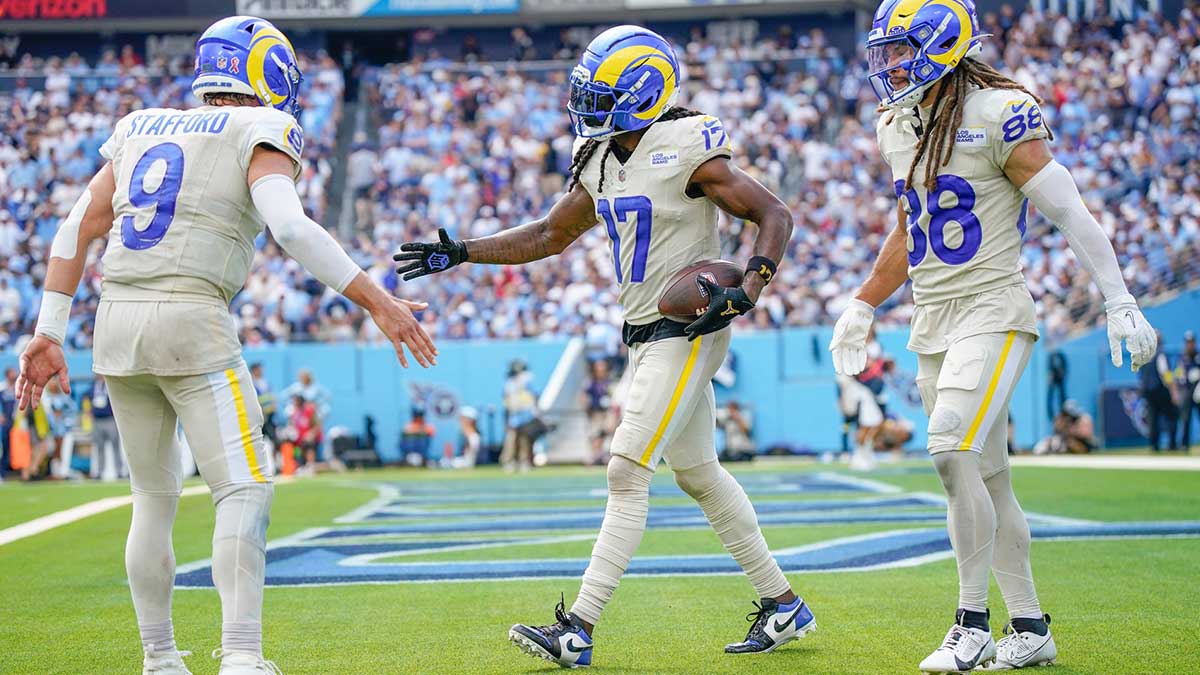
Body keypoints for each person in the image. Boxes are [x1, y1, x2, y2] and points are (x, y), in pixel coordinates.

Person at [14, 16, 436, 675]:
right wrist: (376, 300)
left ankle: (159, 659)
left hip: (115, 318)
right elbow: (291, 229)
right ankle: (240, 654)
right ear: (266, 71)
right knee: (244, 486)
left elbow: (74, 228)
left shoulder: (139, 125)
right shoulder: (259, 128)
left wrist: (47, 329)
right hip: (191, 315)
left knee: (153, 498)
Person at [396, 25, 813, 667]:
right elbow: (548, 234)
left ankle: (579, 628)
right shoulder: (599, 156)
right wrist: (464, 251)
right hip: (642, 333)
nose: (586, 103)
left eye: (602, 91)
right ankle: (783, 603)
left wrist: (751, 285)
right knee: (699, 474)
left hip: (689, 327)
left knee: (626, 470)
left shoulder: (686, 146)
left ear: (645, 90)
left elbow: (773, 215)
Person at [829, 0, 1158, 671]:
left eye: (901, 49)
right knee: (989, 477)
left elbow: (1068, 206)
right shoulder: (899, 122)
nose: (889, 64)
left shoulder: (998, 110)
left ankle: (971, 622)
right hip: (933, 319)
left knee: (950, 449)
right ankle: (1031, 627)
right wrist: (863, 303)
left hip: (994, 309)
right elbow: (908, 228)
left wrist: (1119, 297)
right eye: (884, 52)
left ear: (941, 45)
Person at [1140, 332, 1178, 452]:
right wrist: (1173, 391)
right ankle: (1172, 444)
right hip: (1160, 389)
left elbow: (1142, 375)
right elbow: (1165, 373)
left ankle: (1154, 445)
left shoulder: (1144, 355)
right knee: (1171, 416)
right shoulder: (1160, 354)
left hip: (1148, 391)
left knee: (1153, 418)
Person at [500, 359, 539, 472]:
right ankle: (508, 462)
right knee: (510, 440)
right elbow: (507, 400)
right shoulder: (509, 383)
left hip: (525, 414)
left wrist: (534, 409)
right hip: (514, 414)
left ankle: (524, 461)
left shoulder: (527, 380)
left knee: (524, 441)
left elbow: (535, 395)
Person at [90, 374, 125, 480]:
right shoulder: (93, 386)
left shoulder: (110, 385)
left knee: (115, 446)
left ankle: (119, 471)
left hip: (110, 419)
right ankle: (100, 471)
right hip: (97, 420)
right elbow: (86, 396)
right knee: (99, 447)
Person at [1176, 331, 1198, 452]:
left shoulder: (1198, 356)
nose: (1190, 345)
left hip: (1198, 390)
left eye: (1192, 342)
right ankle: (1184, 444)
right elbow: (1177, 373)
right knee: (1185, 418)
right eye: (1188, 342)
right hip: (1186, 390)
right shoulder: (1181, 357)